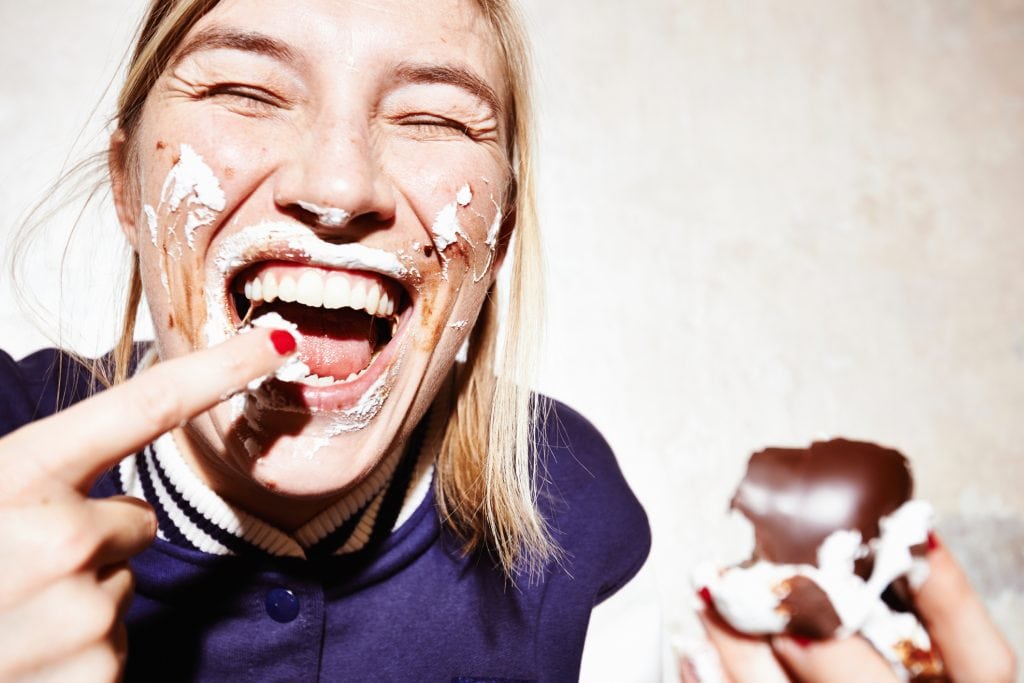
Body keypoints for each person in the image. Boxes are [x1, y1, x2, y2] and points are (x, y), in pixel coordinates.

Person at [0, 0, 1015, 681]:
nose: (340, 185)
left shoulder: (573, 499)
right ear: (130, 183)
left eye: (436, 116)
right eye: (246, 92)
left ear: (499, 231)